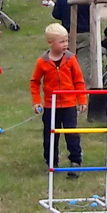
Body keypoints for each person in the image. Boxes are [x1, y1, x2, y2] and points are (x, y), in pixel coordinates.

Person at [30, 23, 86, 178]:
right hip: (50, 105)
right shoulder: (42, 62)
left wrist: (82, 99)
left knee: (71, 134)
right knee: (50, 135)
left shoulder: (70, 59)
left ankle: (75, 162)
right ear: (50, 43)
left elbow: (79, 81)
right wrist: (37, 101)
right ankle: (51, 162)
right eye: (61, 42)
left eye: (66, 41)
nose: (65, 44)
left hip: (69, 105)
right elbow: (35, 82)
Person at [53, 0, 95, 86]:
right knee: (84, 64)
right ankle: (83, 90)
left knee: (66, 63)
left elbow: (56, 14)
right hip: (84, 34)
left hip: (66, 34)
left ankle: (65, 86)